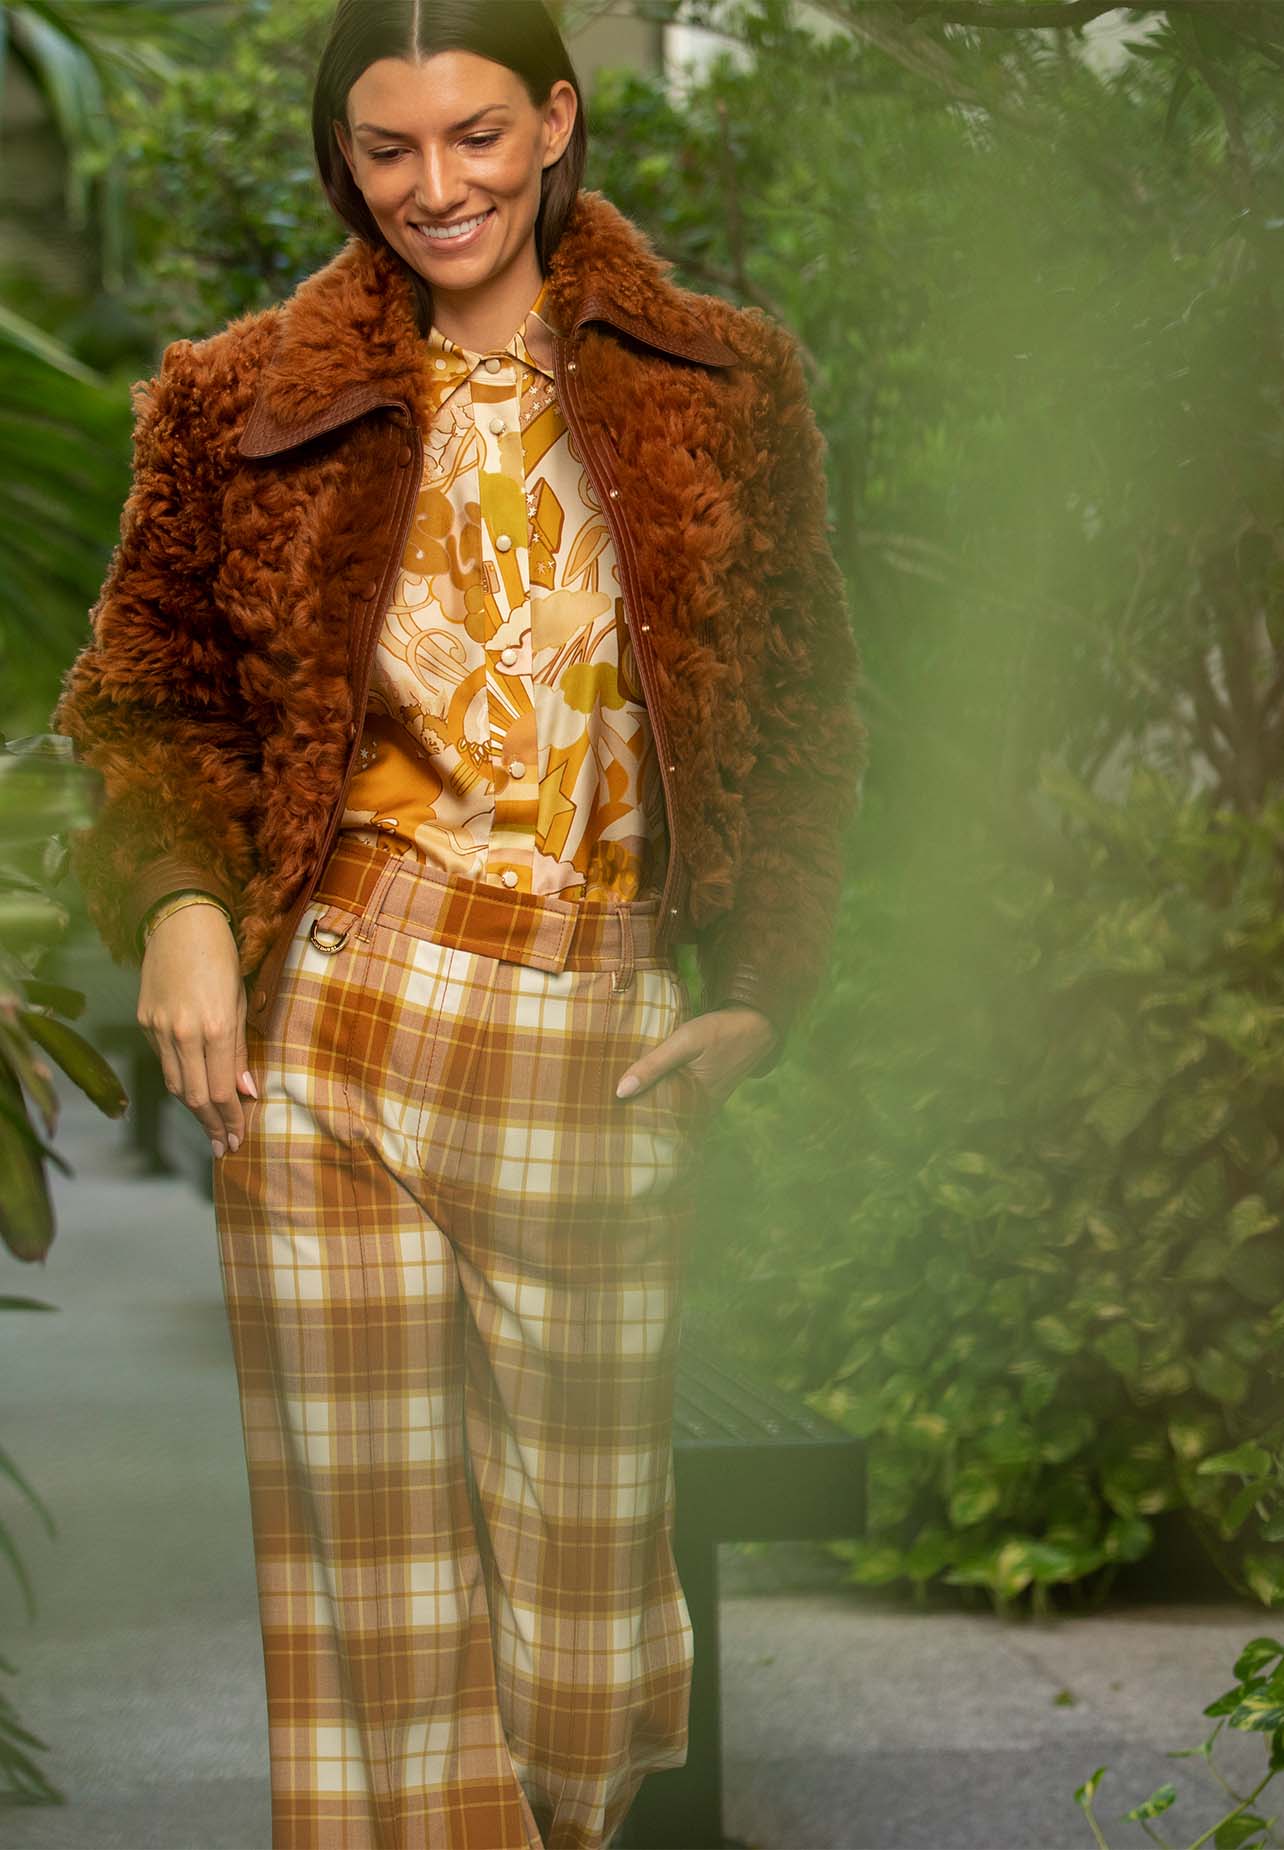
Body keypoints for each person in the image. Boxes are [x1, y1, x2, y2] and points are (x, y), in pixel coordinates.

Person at [50, 2, 867, 1844]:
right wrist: (181, 903)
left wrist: (769, 997)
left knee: (589, 1664)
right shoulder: (237, 401)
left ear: (557, 119)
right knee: (385, 1648)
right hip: (334, 1024)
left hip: (601, 1044)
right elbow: (146, 695)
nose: (439, 189)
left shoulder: (721, 382)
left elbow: (812, 714)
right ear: (345, 154)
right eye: (392, 149)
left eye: (480, 137)